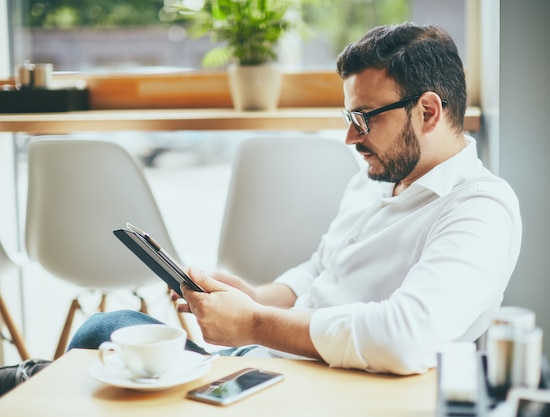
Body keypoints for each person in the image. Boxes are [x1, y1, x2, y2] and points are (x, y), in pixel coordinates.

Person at [0, 22, 521, 395]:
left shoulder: (479, 209)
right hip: (267, 362)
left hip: (314, 389)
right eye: (348, 116)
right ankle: (35, 382)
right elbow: (320, 271)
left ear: (428, 110)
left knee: (100, 341)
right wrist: (255, 297)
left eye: (363, 118)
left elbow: (405, 337)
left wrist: (254, 323)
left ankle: (32, 383)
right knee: (109, 332)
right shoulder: (380, 175)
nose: (348, 136)